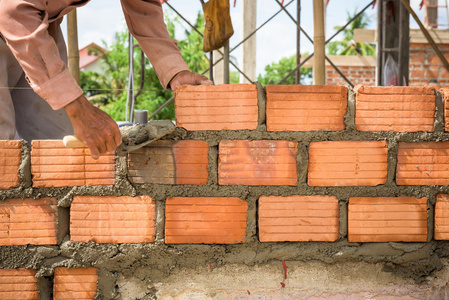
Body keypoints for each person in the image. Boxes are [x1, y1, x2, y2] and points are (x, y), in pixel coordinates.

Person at [0, 0, 212, 159]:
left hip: (38, 31)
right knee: (3, 154)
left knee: (58, 149)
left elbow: (142, 4)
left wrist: (174, 69)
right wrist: (77, 108)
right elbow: (12, 10)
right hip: (16, 20)